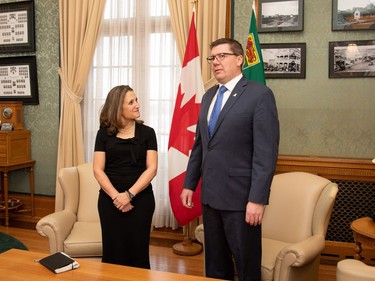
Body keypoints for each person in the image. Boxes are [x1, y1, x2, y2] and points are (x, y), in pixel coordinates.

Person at [180, 38, 279, 281]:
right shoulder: (209, 96)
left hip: (241, 200)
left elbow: (265, 154)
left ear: (239, 59)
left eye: (222, 56)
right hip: (211, 198)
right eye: (212, 57)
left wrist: (257, 199)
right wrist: (189, 184)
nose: (216, 62)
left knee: (246, 264)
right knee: (215, 264)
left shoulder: (259, 95)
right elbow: (201, 145)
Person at [93, 85, 158, 268]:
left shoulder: (148, 133)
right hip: (110, 202)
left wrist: (128, 195)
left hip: (141, 201)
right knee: (113, 252)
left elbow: (152, 169)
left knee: (138, 253)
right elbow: (98, 169)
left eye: (136, 100)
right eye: (131, 102)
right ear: (117, 107)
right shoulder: (103, 134)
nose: (137, 105)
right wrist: (117, 197)